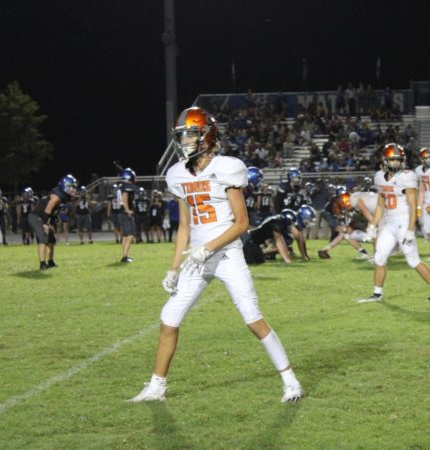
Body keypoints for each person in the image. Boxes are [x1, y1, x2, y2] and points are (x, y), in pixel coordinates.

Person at [130, 106, 303, 403]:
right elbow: (184, 226)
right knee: (169, 317)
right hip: (196, 258)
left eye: (190, 135)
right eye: (182, 136)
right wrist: (173, 268)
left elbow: (242, 223)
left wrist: (208, 248)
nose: (184, 142)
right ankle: (157, 387)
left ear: (206, 135)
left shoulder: (226, 168)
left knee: (252, 319)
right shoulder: (178, 175)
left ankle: (291, 381)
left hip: (226, 255)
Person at [358, 143, 430, 303]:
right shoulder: (379, 177)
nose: (395, 163)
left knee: (413, 261)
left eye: (398, 160)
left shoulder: (407, 176)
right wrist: (372, 226)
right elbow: (380, 205)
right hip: (389, 223)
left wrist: (411, 229)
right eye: (392, 160)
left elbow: (412, 205)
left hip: (404, 223)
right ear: (385, 160)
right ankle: (377, 294)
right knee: (379, 258)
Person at [27, 175, 79, 270]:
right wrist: (45, 224)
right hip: (37, 217)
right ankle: (42, 264)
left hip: (45, 216)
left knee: (51, 240)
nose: (74, 189)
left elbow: (54, 211)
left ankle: (50, 262)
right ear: (65, 185)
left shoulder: (64, 195)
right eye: (72, 186)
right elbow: (48, 208)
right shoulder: (58, 195)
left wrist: (51, 223)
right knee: (43, 238)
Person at [118, 168, 137, 262]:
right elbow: (124, 198)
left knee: (125, 236)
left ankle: (125, 255)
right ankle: (125, 257)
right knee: (130, 235)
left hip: (121, 213)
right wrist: (128, 210)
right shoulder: (127, 186)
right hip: (125, 214)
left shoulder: (121, 186)